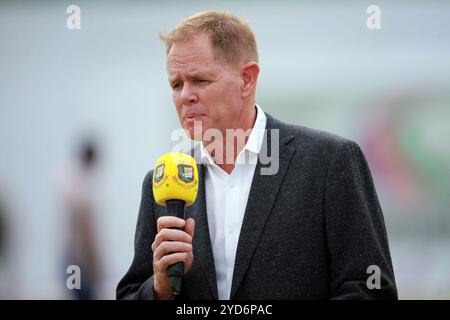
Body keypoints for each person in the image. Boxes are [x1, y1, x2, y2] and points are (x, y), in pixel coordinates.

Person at [116, 11, 397, 300]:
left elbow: (372, 289)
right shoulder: (161, 184)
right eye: (176, 84)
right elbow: (129, 294)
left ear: (247, 80)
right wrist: (160, 289)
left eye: (200, 80)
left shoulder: (329, 162)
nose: (185, 95)